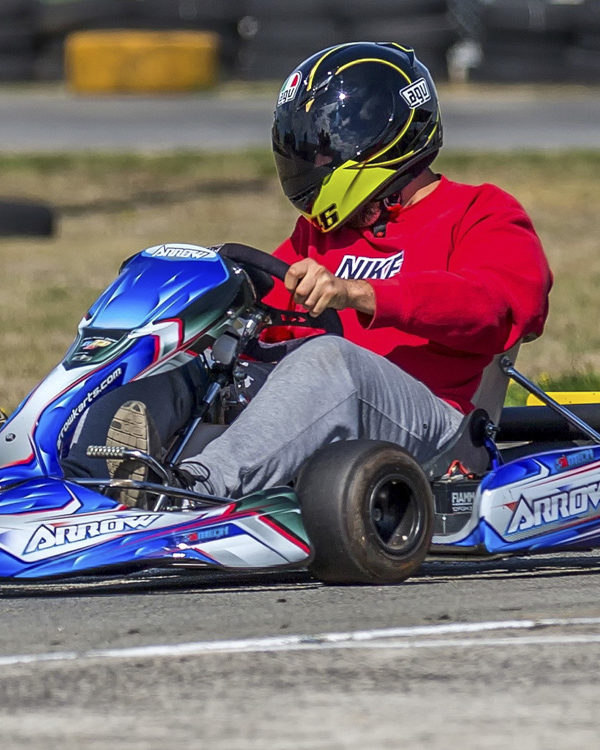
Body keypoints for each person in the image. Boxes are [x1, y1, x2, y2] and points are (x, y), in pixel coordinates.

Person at [62, 42, 552, 502]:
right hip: (324, 422)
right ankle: (81, 476)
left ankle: (196, 493)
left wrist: (363, 294)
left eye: (323, 147)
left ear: (379, 135)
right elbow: (270, 316)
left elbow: (500, 308)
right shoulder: (320, 232)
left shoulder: (480, 211)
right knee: (182, 354)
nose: (310, 161)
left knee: (329, 360)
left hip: (436, 431)